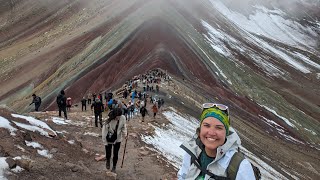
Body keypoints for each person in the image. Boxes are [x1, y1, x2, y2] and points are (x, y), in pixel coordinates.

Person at [177, 103, 256, 180]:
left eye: (219, 128)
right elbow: (182, 176)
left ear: (226, 133)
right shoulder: (192, 152)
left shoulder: (239, 166)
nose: (211, 133)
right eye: (206, 125)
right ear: (200, 128)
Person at [102, 108, 127, 173]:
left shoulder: (122, 118)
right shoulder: (108, 121)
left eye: (119, 116)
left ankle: (114, 166)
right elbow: (104, 132)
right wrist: (105, 142)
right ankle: (108, 160)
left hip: (118, 138)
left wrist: (125, 134)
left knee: (115, 154)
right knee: (108, 152)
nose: (118, 118)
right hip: (109, 138)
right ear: (114, 115)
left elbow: (123, 127)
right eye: (117, 116)